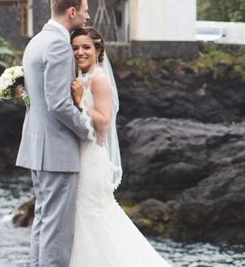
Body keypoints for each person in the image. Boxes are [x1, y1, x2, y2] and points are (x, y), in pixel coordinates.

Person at [67, 26, 172, 267]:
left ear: (98, 50)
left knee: (92, 219)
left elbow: (104, 121)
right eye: (75, 48)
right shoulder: (81, 78)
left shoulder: (100, 79)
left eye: (86, 47)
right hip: (82, 155)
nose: (80, 52)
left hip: (92, 159)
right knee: (85, 222)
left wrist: (80, 102)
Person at [16, 0, 95, 267]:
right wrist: (88, 129)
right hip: (57, 151)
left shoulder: (36, 41)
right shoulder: (59, 44)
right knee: (58, 230)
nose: (87, 16)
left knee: (43, 221)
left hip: (38, 147)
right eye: (85, 10)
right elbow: (59, 104)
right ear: (72, 11)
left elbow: (36, 98)